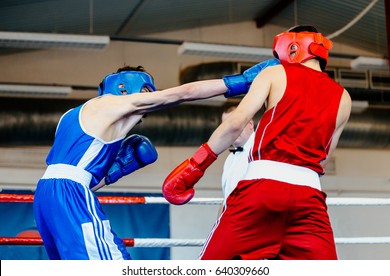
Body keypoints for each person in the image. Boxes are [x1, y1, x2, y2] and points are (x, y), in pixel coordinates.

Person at [33, 58, 279, 260]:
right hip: (70, 194)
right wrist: (242, 82)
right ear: (126, 88)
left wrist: (115, 171)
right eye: (147, 91)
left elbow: (74, 174)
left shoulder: (71, 116)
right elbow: (183, 93)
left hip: (45, 195)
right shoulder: (114, 103)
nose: (149, 100)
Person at [162, 25, 352, 260]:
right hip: (310, 199)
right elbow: (324, 157)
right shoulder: (344, 97)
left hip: (262, 190)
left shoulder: (275, 74)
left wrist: (196, 165)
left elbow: (235, 123)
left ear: (292, 46)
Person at [218, 105, 255, 216]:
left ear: (250, 124)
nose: (231, 130)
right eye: (226, 126)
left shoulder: (262, 149)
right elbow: (226, 199)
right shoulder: (230, 160)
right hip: (233, 224)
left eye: (235, 124)